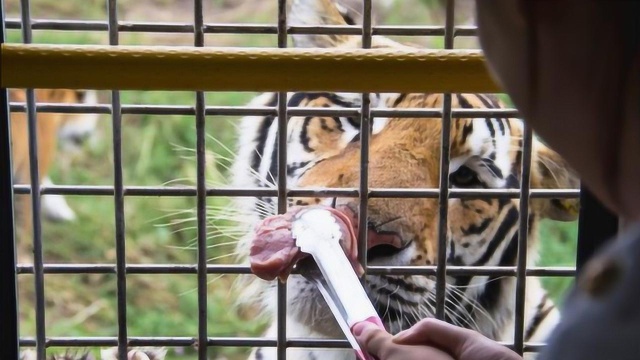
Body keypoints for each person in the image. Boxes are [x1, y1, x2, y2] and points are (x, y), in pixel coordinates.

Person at [353, 1, 640, 359]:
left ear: (533, 14)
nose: (369, 225)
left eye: (466, 176)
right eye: (356, 128)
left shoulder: (614, 315)